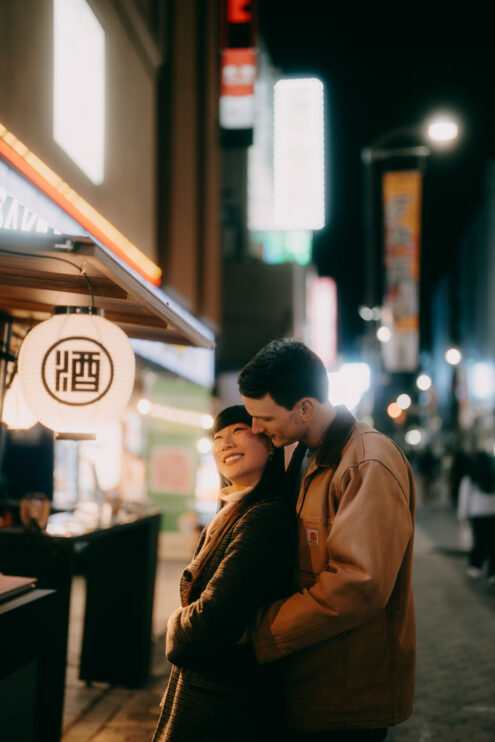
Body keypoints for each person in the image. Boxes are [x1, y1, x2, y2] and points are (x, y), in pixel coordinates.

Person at [238, 340, 416, 742]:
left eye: (264, 416)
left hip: (345, 697)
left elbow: (358, 584)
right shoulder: (304, 453)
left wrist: (261, 631)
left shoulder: (368, 461)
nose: (255, 428)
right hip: (308, 680)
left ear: (305, 408)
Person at [151, 405, 295, 742]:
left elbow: (215, 619)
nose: (224, 443)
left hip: (226, 697)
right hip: (212, 687)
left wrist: (174, 627)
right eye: (217, 437)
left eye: (237, 431)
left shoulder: (264, 515)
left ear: (270, 443)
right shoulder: (235, 509)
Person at [457, 450, 495, 584]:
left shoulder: (470, 478)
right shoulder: (492, 476)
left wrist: (462, 516)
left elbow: (464, 499)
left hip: (477, 513)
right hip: (492, 514)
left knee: (479, 541)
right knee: (493, 544)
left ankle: (475, 567)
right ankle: (492, 573)